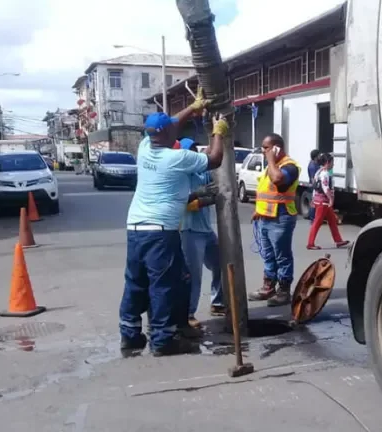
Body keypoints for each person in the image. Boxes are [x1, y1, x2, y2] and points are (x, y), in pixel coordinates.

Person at [118, 90, 229, 356]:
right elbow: (214, 159)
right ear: (167, 134)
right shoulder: (176, 158)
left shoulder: (144, 148)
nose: (177, 133)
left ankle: (130, 335)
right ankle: (162, 340)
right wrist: (218, 131)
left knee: (139, 281)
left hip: (136, 228)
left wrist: (193, 107)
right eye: (173, 131)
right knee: (164, 285)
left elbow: (171, 124)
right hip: (160, 232)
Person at [178, 138, 226, 329]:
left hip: (205, 229)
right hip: (189, 231)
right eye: (188, 151)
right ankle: (188, 313)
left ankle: (218, 302)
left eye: (194, 151)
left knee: (220, 263)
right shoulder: (179, 174)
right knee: (193, 275)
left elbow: (213, 184)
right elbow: (181, 203)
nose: (192, 155)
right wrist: (202, 199)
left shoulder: (200, 172)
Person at [248, 133, 301, 307]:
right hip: (265, 217)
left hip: (281, 217)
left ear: (277, 147)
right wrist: (258, 211)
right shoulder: (273, 166)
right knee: (268, 255)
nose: (263, 151)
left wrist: (271, 160)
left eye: (266, 147)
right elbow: (266, 192)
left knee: (282, 255)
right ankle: (268, 286)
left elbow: (278, 180)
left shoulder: (290, 166)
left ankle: (284, 291)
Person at [307, 153, 349, 250]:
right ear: (327, 163)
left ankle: (338, 241)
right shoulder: (325, 174)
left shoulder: (319, 172)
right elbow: (325, 188)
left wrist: (313, 199)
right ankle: (310, 243)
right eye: (332, 163)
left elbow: (315, 187)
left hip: (320, 201)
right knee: (317, 222)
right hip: (324, 202)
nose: (333, 165)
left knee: (332, 221)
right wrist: (331, 199)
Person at [306, 149, 321, 221]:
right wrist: (316, 187)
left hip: (315, 185)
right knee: (314, 202)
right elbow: (312, 178)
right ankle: (312, 218)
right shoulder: (312, 165)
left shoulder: (316, 163)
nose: (320, 156)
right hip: (313, 186)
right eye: (319, 155)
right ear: (316, 156)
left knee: (315, 201)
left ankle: (314, 217)